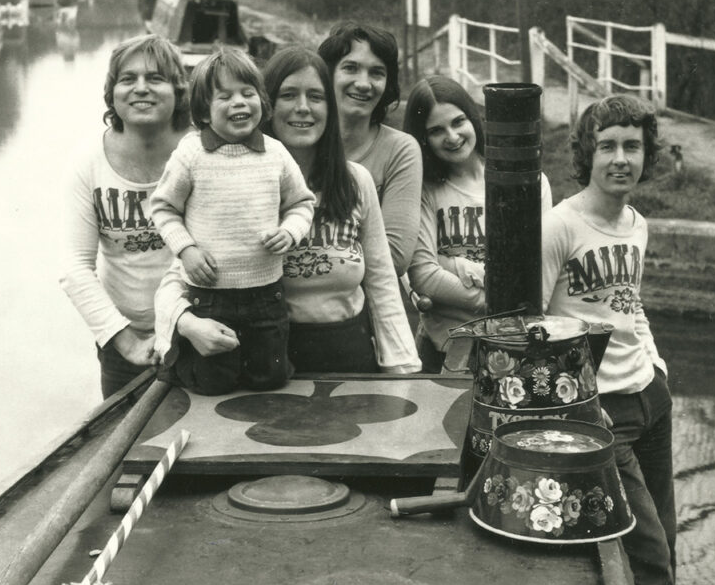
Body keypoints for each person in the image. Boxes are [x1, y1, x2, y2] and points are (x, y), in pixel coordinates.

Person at [541, 94, 715, 585]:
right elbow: (536, 329)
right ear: (586, 152)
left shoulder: (637, 226)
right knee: (648, 562)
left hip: (650, 402)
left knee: (666, 553)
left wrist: (659, 367)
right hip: (602, 419)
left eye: (632, 146)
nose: (621, 158)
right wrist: (579, 408)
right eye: (608, 145)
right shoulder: (560, 226)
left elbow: (629, 307)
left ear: (647, 155)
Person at [153, 47, 421, 376]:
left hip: (349, 356)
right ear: (268, 105)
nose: (303, 108)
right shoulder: (224, 181)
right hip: (265, 358)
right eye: (289, 95)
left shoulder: (355, 181)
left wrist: (403, 369)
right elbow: (176, 277)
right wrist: (186, 323)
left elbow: (382, 283)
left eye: (316, 97)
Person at [148, 46, 315, 395]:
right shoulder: (191, 154)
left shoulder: (276, 152)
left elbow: (302, 203)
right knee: (212, 382)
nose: (239, 103)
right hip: (209, 296)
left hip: (266, 293)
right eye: (225, 97)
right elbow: (163, 208)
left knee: (270, 379)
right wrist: (187, 250)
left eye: (247, 93)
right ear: (204, 112)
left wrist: (290, 231)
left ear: (261, 101)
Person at [59, 33, 191, 398]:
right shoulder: (87, 161)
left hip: (200, 334)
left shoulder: (201, 152)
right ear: (112, 93)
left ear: (179, 89)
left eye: (156, 78)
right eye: (128, 79)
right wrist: (125, 340)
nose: (141, 89)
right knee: (127, 447)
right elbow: (75, 266)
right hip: (125, 343)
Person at [405, 75, 552, 373]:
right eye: (436, 130)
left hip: (514, 348)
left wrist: (449, 264)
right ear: (423, 138)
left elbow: (539, 270)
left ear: (474, 118)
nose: (452, 136)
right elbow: (424, 276)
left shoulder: (531, 183)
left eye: (458, 121)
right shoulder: (423, 189)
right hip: (443, 351)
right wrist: (507, 306)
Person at [317, 21, 422, 278]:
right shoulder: (300, 139)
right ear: (327, 74)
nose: (363, 84)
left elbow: (394, 257)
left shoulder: (400, 150)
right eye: (350, 68)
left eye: (377, 73)